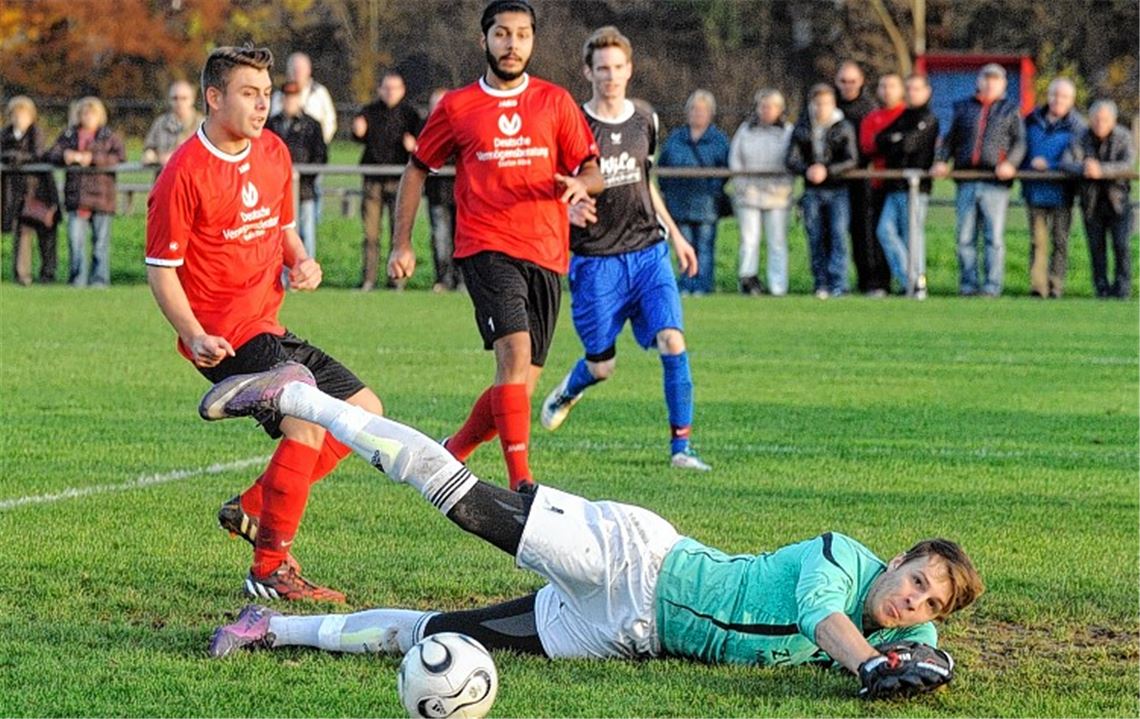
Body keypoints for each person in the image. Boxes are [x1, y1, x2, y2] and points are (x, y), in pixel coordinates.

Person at [203, 363, 982, 703]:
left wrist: (891, 663)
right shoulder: (841, 559)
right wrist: (869, 664)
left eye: (928, 604)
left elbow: (829, 647)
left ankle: (269, 624)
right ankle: (304, 399)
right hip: (633, 560)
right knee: (458, 496)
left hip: (620, 631)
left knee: (433, 634)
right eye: (917, 578)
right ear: (899, 557)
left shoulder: (870, 633)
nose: (913, 598)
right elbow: (821, 620)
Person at [145, 44, 385, 603]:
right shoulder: (183, 173)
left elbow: (281, 227)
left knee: (365, 414)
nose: (261, 106)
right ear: (213, 97)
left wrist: (299, 260)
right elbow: (161, 273)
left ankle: (255, 507)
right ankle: (271, 566)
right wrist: (192, 333)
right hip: (226, 340)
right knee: (306, 422)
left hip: (269, 328)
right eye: (248, 94)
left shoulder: (274, 151)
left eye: (266, 94)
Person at [386, 0, 603, 493]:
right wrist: (402, 243)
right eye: (502, 34)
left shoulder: (555, 102)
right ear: (485, 40)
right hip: (485, 246)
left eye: (522, 35)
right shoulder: (458, 106)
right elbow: (418, 168)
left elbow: (593, 169)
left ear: (533, 42)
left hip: (547, 252)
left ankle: (452, 451)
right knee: (514, 352)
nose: (512, 44)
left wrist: (582, 186)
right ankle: (522, 484)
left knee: (521, 387)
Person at [538, 26, 708, 471]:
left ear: (629, 70)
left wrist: (677, 234)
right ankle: (571, 387)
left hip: (649, 252)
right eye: (602, 69)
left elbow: (645, 182)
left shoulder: (645, 119)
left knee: (673, 341)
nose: (610, 77)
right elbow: (551, 187)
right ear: (587, 72)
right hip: (596, 261)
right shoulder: (572, 123)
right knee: (602, 367)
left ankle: (681, 450)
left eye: (618, 68)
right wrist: (565, 210)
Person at [931, 64, 1026, 297]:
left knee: (993, 237)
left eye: (996, 79)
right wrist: (942, 160)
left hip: (995, 183)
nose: (990, 83)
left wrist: (1010, 163)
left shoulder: (1010, 110)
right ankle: (968, 284)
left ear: (1003, 84)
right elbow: (949, 140)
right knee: (965, 237)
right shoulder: (963, 108)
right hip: (966, 180)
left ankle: (992, 286)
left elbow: (1020, 143)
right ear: (979, 81)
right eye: (986, 78)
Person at [352, 70, 423, 291]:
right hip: (373, 181)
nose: (390, 92)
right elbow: (357, 135)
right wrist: (358, 132)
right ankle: (369, 280)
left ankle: (397, 280)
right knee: (371, 235)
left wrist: (414, 146)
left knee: (399, 233)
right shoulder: (369, 111)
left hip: (400, 181)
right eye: (387, 88)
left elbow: (423, 144)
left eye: (395, 88)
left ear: (402, 91)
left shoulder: (411, 115)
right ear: (380, 90)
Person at [44, 96, 125, 288]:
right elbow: (50, 154)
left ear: (100, 115)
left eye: (92, 113)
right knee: (75, 242)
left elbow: (119, 157)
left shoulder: (108, 136)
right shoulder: (68, 135)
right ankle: (77, 280)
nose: (87, 117)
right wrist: (65, 155)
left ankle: (99, 280)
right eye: (84, 113)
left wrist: (93, 158)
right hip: (76, 197)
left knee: (100, 244)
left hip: (102, 197)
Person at [786, 83, 857, 299]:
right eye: (817, 104)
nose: (821, 108)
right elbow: (791, 159)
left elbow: (851, 159)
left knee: (838, 236)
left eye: (825, 103)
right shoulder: (802, 128)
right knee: (815, 237)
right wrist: (807, 170)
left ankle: (839, 283)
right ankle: (821, 282)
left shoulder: (843, 127)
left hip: (837, 190)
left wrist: (827, 171)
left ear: (833, 104)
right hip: (811, 192)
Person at [657, 90, 731, 295]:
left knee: (705, 247)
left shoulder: (718, 140)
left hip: (707, 203)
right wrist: (667, 191)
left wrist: (714, 189)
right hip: (678, 202)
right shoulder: (675, 139)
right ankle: (686, 284)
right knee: (684, 245)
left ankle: (703, 285)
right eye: (694, 110)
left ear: (710, 113)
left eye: (702, 110)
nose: (697, 114)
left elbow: (726, 168)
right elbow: (663, 166)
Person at [1061, 100, 1135, 299]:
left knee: (1121, 246)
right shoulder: (1081, 137)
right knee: (1096, 248)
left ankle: (1122, 290)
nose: (1099, 123)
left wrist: (1101, 171)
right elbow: (1066, 162)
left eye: (1104, 120)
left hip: (1118, 202)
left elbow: (1128, 164)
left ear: (1113, 120)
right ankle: (1101, 289)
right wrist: (1084, 168)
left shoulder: (1124, 137)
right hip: (1091, 202)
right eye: (1096, 119)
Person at [875, 74, 940, 297]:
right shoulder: (904, 115)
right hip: (894, 186)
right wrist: (897, 140)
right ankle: (909, 278)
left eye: (916, 89)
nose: (912, 92)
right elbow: (880, 140)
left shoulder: (929, 118)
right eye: (909, 88)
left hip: (915, 189)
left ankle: (918, 282)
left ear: (927, 91)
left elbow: (909, 145)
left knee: (913, 237)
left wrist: (897, 140)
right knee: (884, 231)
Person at [1020, 78, 1083, 298]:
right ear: (1048, 96)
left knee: (1060, 241)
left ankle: (1056, 285)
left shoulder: (1078, 127)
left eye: (1064, 96)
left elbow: (1078, 160)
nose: (1058, 100)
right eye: (1055, 95)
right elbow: (1020, 149)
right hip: (1035, 191)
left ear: (1071, 100)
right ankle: (1038, 287)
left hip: (1062, 193)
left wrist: (1052, 166)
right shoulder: (1031, 121)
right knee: (1038, 242)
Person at [729, 89, 794, 296]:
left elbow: (793, 160)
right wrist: (741, 184)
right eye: (763, 106)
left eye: (771, 107)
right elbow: (735, 159)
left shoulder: (787, 132)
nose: (766, 111)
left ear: (780, 109)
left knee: (777, 241)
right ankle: (748, 282)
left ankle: (778, 286)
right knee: (749, 240)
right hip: (749, 194)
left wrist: (784, 186)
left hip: (777, 195)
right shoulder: (745, 131)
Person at [835, 61, 890, 297]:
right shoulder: (831, 107)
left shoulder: (870, 109)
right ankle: (836, 281)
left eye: (852, 81)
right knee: (836, 233)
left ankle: (872, 281)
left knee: (865, 232)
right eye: (843, 81)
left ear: (861, 82)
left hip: (863, 180)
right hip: (835, 178)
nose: (848, 86)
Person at [266, 80, 328, 261]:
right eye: (286, 97)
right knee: (279, 233)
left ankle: (306, 268)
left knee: (306, 231)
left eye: (293, 97)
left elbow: (320, 155)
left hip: (304, 187)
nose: (289, 101)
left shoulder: (311, 125)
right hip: (276, 190)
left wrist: (306, 177)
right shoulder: (272, 124)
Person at [1, 96, 60, 285]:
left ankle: (47, 274)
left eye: (23, 115)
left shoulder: (37, 133)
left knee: (46, 234)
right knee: (22, 234)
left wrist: (18, 158)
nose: (19, 119)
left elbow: (39, 154)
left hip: (40, 191)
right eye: (16, 115)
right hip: (16, 192)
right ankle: (22, 275)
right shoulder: (5, 135)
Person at [422, 88, 462, 293]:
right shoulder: (424, 127)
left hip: (460, 194)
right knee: (440, 237)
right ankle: (443, 279)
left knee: (461, 238)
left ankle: (462, 280)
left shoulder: (462, 126)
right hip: (436, 193)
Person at [141, 80, 203, 166]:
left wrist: (173, 157)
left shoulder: (203, 124)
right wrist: (152, 156)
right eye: (175, 98)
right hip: (164, 176)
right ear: (169, 100)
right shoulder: (160, 123)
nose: (179, 102)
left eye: (184, 98)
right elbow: (149, 149)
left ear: (192, 99)